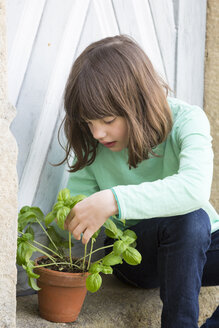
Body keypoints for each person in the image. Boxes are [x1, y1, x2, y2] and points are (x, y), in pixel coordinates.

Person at [59, 35, 219, 328]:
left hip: (199, 243)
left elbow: (194, 189)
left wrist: (114, 200)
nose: (97, 134)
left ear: (139, 103)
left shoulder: (188, 120)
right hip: (137, 255)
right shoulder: (93, 145)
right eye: (88, 123)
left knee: (193, 219)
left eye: (107, 121)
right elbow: (76, 215)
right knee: (188, 220)